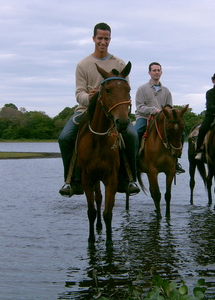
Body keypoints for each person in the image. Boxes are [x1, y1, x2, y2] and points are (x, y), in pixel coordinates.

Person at [58, 22, 140, 197]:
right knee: (65, 137)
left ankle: (129, 179)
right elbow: (79, 93)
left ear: (110, 40)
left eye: (107, 38)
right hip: (86, 110)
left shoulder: (119, 63)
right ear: (94, 39)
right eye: (100, 38)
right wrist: (90, 97)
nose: (103, 42)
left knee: (132, 135)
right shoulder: (83, 64)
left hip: (112, 111)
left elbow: (125, 89)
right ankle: (71, 181)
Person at [134, 62, 185, 174]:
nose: (156, 72)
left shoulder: (166, 91)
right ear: (149, 73)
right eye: (154, 70)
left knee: (181, 133)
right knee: (136, 132)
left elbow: (169, 107)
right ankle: (135, 161)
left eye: (158, 70)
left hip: (162, 119)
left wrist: (166, 113)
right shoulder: (142, 89)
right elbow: (139, 107)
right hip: (144, 117)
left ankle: (175, 161)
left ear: (161, 72)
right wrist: (153, 110)